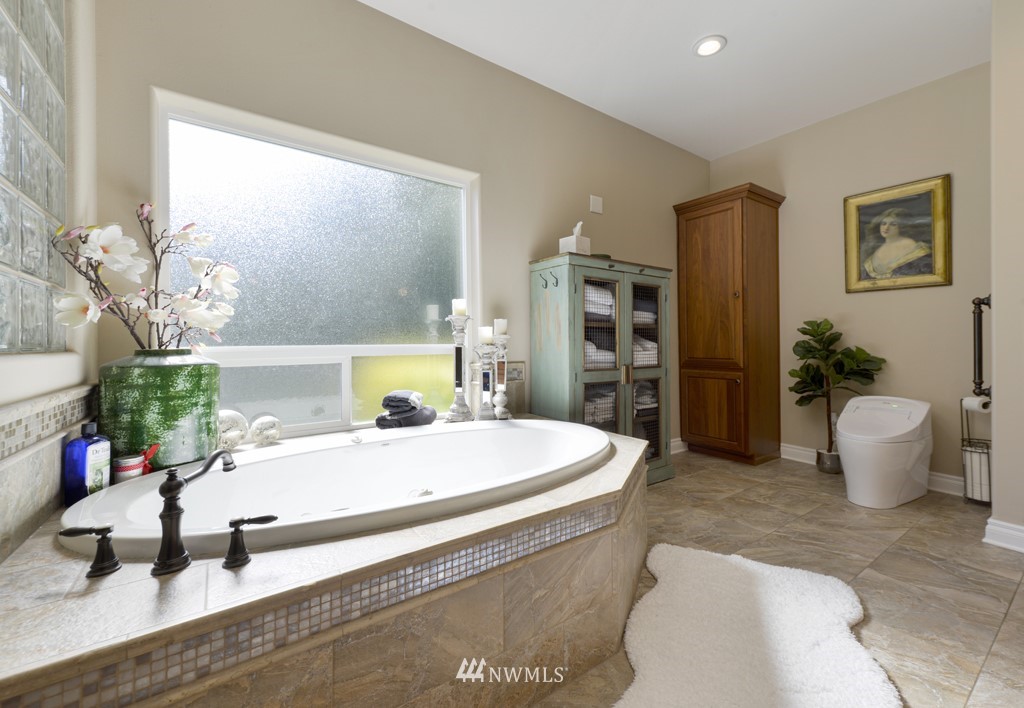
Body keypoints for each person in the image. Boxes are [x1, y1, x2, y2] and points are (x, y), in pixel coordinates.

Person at [860, 207, 933, 280]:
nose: (886, 228)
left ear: (901, 226)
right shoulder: (876, 248)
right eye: (883, 224)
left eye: (893, 224)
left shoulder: (909, 244)